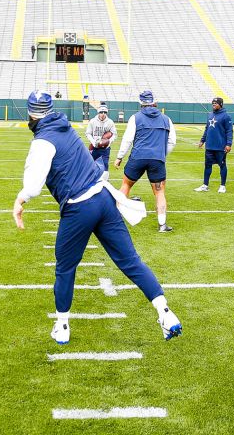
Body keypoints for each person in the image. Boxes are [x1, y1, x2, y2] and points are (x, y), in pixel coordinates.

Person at [11, 91, 182, 345]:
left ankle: (62, 325)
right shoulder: (65, 126)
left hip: (80, 206)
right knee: (130, 261)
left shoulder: (42, 141)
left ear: (30, 113)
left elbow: (34, 185)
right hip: (103, 197)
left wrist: (20, 199)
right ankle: (166, 313)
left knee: (65, 267)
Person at [115, 90, 177, 233]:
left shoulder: (135, 117)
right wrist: (161, 154)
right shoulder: (166, 119)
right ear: (155, 102)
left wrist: (119, 157)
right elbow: (172, 141)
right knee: (159, 192)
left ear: (141, 103)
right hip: (157, 159)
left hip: (138, 157)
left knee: (125, 185)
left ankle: (114, 221)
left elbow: (128, 139)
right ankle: (162, 225)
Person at [196, 96, 233, 193]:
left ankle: (222, 185)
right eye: (212, 103)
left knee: (222, 165)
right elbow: (206, 129)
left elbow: (229, 131)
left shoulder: (226, 116)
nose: (213, 105)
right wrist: (202, 141)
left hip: (220, 146)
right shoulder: (210, 115)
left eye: (215, 103)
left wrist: (229, 144)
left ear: (220, 104)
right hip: (209, 146)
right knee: (207, 165)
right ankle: (205, 185)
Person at [85, 104, 116, 174]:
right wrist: (93, 142)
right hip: (94, 147)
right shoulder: (92, 121)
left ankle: (105, 182)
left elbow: (114, 134)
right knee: (90, 166)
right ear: (98, 112)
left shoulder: (110, 122)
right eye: (101, 112)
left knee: (105, 166)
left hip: (105, 149)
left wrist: (109, 142)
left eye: (105, 112)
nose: (103, 114)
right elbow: (88, 133)